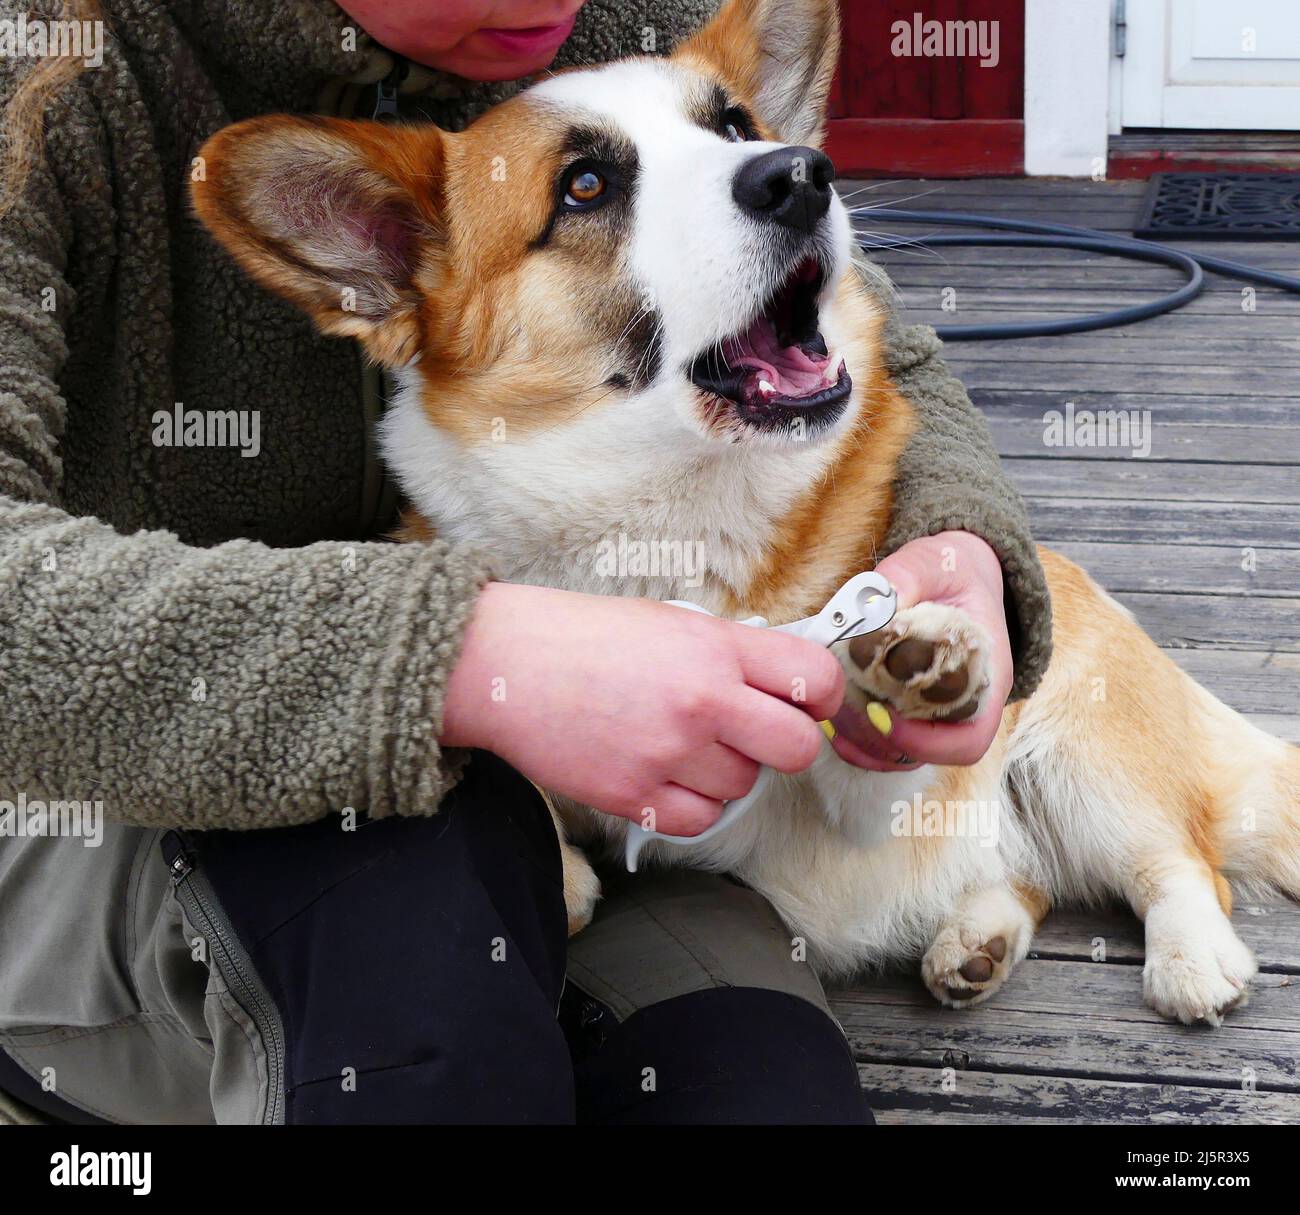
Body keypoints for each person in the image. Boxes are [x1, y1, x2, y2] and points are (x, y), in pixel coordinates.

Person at [0, 0, 1051, 1125]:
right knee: (423, 1005)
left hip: (574, 829)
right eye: (589, 192)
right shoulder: (46, 80)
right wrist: (455, 658)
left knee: (754, 1090)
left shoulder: (608, 23)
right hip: (112, 807)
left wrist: (959, 542)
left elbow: (853, 320)